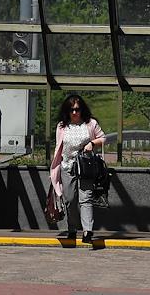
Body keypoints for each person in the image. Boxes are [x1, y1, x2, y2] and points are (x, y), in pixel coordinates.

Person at [49, 94, 106, 243]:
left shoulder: (90, 123)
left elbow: (103, 137)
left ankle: (87, 231)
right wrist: (55, 169)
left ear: (82, 110)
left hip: (86, 167)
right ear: (66, 111)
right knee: (70, 200)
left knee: (86, 198)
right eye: (71, 110)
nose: (74, 112)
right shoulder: (62, 126)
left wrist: (92, 144)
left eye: (77, 109)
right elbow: (58, 148)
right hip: (67, 167)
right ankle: (72, 229)